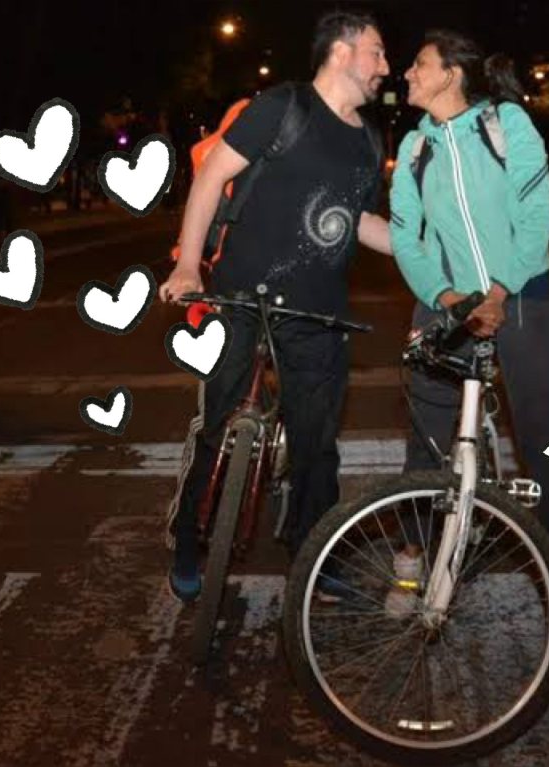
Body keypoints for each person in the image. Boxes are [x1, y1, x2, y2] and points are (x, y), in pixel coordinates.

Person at [158, 11, 393, 602]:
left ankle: (314, 557)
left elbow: (360, 221)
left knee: (317, 447)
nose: (385, 68)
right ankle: (189, 537)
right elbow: (211, 179)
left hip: (319, 313)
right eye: (377, 52)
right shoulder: (282, 107)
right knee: (214, 424)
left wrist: (429, 256)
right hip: (241, 295)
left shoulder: (369, 138)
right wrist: (188, 264)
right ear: (341, 52)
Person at [387, 30, 549, 616]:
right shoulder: (415, 149)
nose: (408, 74)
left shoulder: (507, 124)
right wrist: (447, 296)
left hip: (521, 299)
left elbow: (537, 215)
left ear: (451, 74)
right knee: (425, 439)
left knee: (539, 438)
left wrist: (495, 293)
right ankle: (411, 564)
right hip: (445, 305)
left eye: (420, 64)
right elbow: (404, 237)